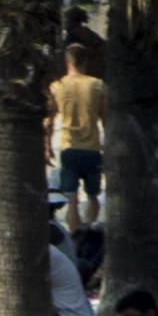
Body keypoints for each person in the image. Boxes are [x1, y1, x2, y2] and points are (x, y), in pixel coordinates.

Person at [53, 36, 109, 235]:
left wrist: (45, 146)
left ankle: (75, 232)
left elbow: (48, 120)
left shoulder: (58, 85)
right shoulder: (97, 85)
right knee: (93, 195)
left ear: (67, 62)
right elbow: (106, 118)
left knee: (72, 197)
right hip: (92, 148)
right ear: (86, 61)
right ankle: (89, 228)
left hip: (68, 147)